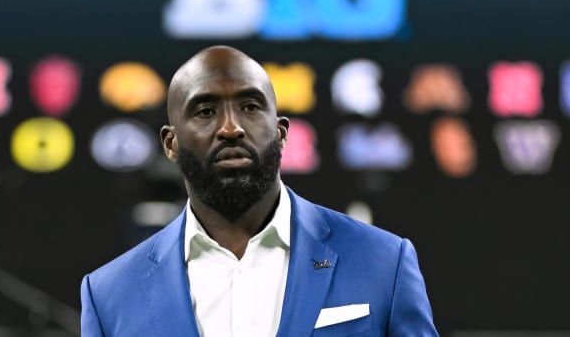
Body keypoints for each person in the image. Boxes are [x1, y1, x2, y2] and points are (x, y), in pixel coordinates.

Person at [80, 45, 438, 336]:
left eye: (250, 107)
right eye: (205, 111)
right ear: (171, 143)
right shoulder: (109, 295)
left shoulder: (384, 262)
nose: (231, 128)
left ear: (281, 133)